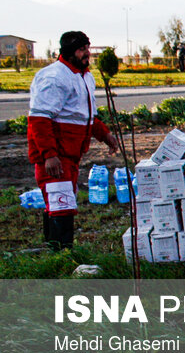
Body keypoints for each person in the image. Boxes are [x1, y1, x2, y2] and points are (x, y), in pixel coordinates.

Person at [27, 31, 119, 250]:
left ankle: (55, 248)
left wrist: (105, 135)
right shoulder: (53, 77)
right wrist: (49, 155)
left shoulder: (85, 76)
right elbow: (39, 119)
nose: (87, 53)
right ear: (69, 52)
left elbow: (85, 115)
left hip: (71, 153)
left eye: (87, 48)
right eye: (81, 49)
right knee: (61, 204)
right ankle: (61, 253)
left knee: (61, 200)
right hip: (56, 154)